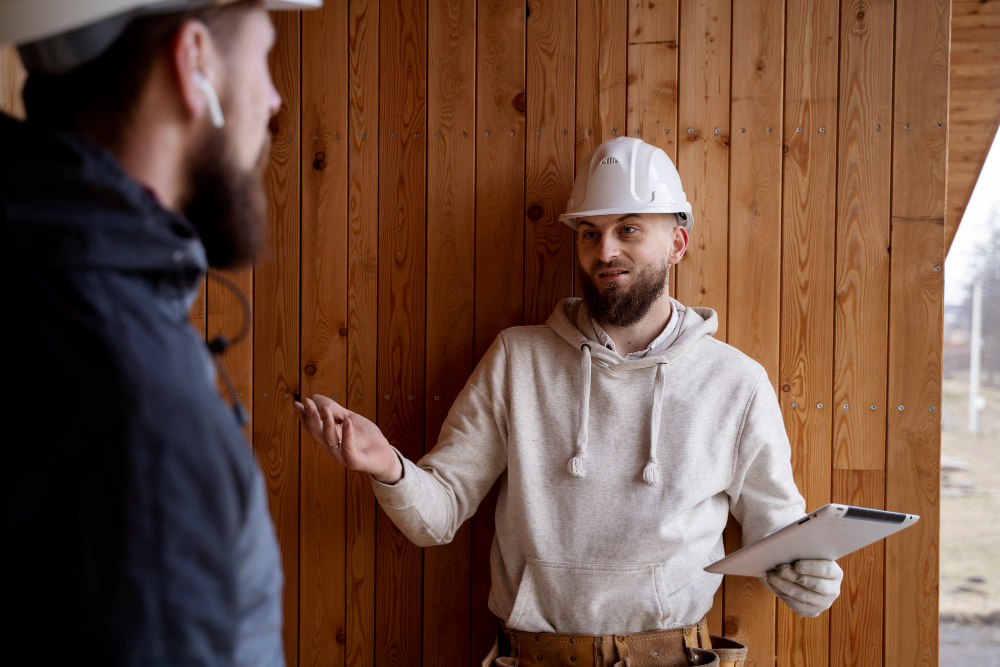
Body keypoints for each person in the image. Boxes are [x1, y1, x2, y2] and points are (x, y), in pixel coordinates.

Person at [296, 137, 843, 666]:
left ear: (677, 243)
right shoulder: (517, 360)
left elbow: (780, 538)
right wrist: (387, 465)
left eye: (628, 229)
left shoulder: (737, 383)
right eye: (589, 233)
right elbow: (436, 517)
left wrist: (812, 581)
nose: (605, 251)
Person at [0, 0, 318, 663]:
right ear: (193, 59)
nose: (273, 99)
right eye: (264, 53)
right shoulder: (139, 406)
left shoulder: (38, 287)